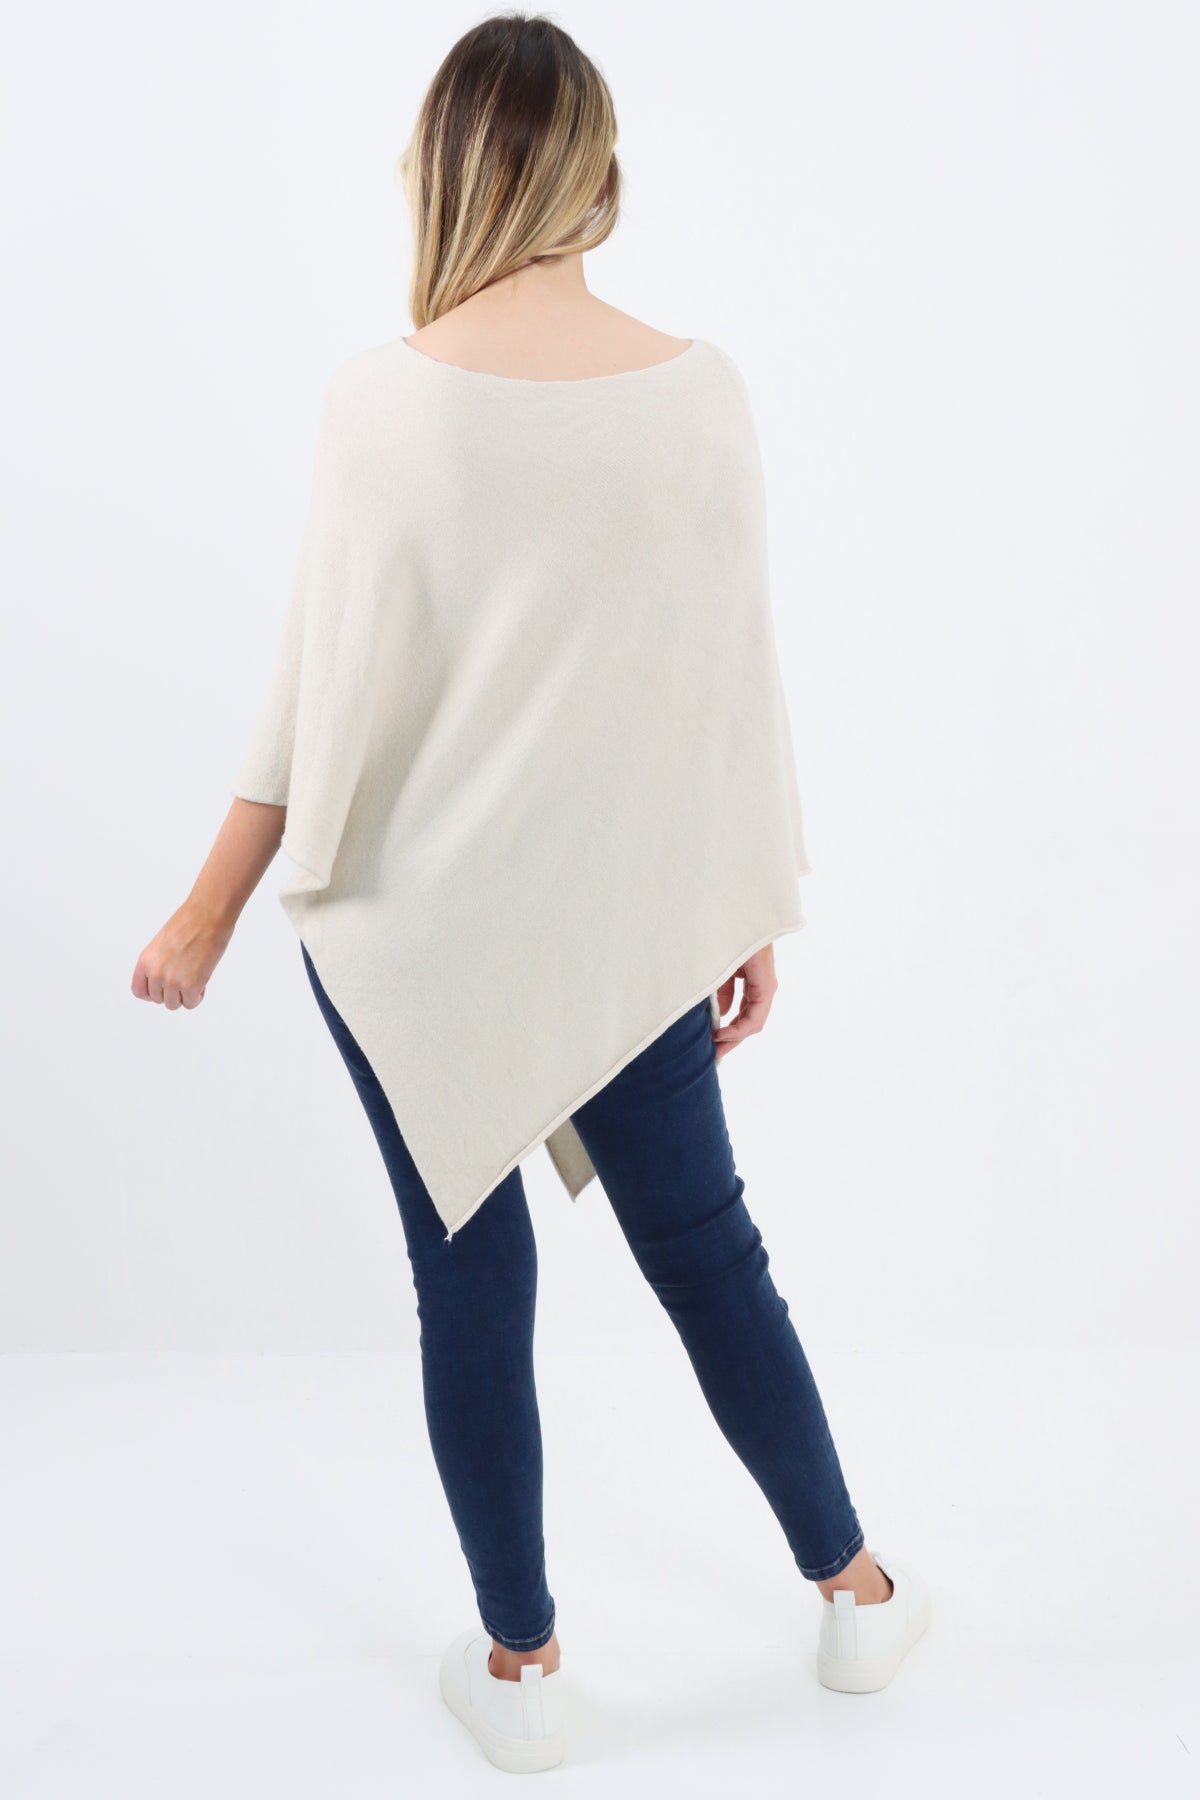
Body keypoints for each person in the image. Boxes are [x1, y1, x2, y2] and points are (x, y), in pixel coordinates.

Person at [130, 11, 930, 1774]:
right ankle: (860, 1595)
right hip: (627, 924)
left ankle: (523, 1669)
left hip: (416, 935)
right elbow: (724, 685)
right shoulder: (700, 390)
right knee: (709, 1257)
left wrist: (203, 914)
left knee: (468, 1282)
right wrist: (739, 908)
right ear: (598, 171)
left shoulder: (379, 400)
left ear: (440, 169)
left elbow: (309, 704)